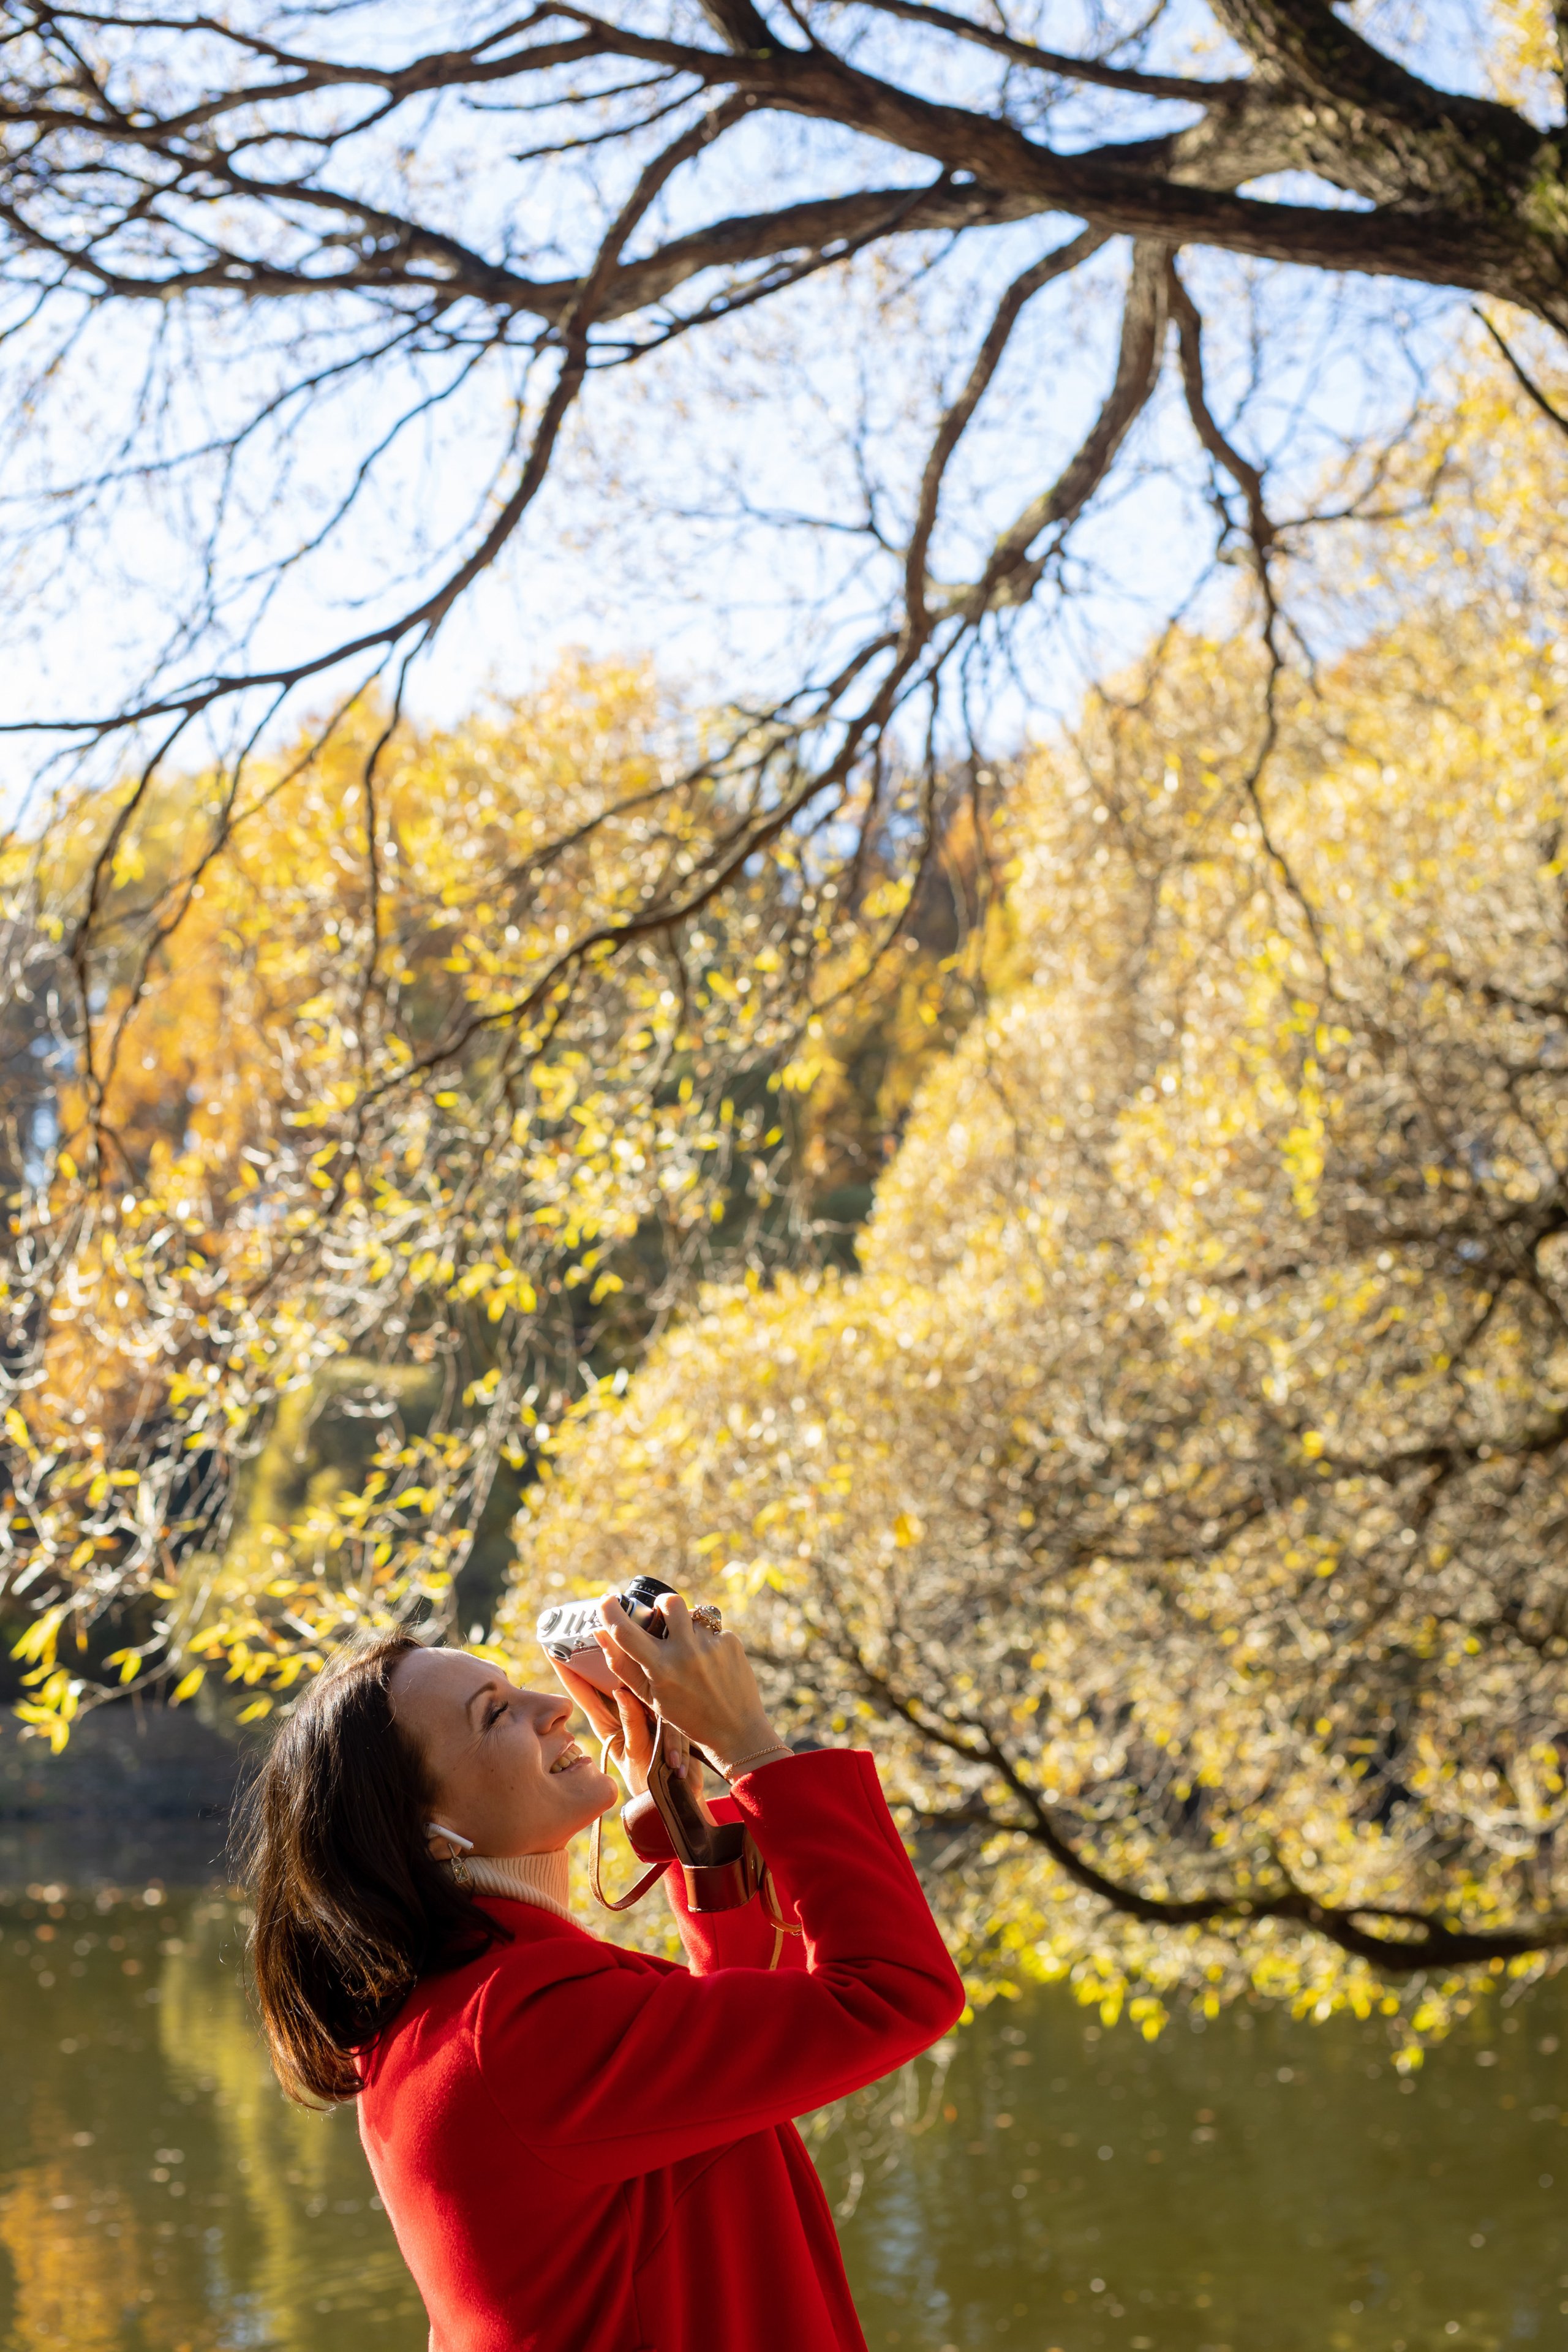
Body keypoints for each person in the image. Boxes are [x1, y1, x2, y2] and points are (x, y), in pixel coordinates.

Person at [240, 1589, 965, 2351]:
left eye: (519, 1688)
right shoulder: (519, 2024)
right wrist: (749, 1746)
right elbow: (895, 1991)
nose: (553, 1704)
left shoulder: (444, 2013)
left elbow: (729, 2081)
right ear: (430, 1837)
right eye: (496, 1714)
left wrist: (684, 1817)